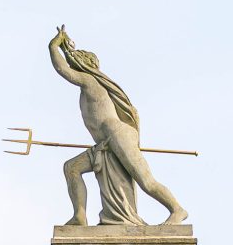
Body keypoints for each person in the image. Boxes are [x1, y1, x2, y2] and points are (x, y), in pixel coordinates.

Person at [49, 26, 188, 225]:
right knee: (71, 168)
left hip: (117, 133)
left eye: (75, 59)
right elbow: (68, 63)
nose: (72, 60)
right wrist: (65, 48)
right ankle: (79, 215)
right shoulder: (88, 84)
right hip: (105, 142)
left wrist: (53, 46)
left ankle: (177, 209)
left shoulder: (90, 80)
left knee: (145, 180)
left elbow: (63, 69)